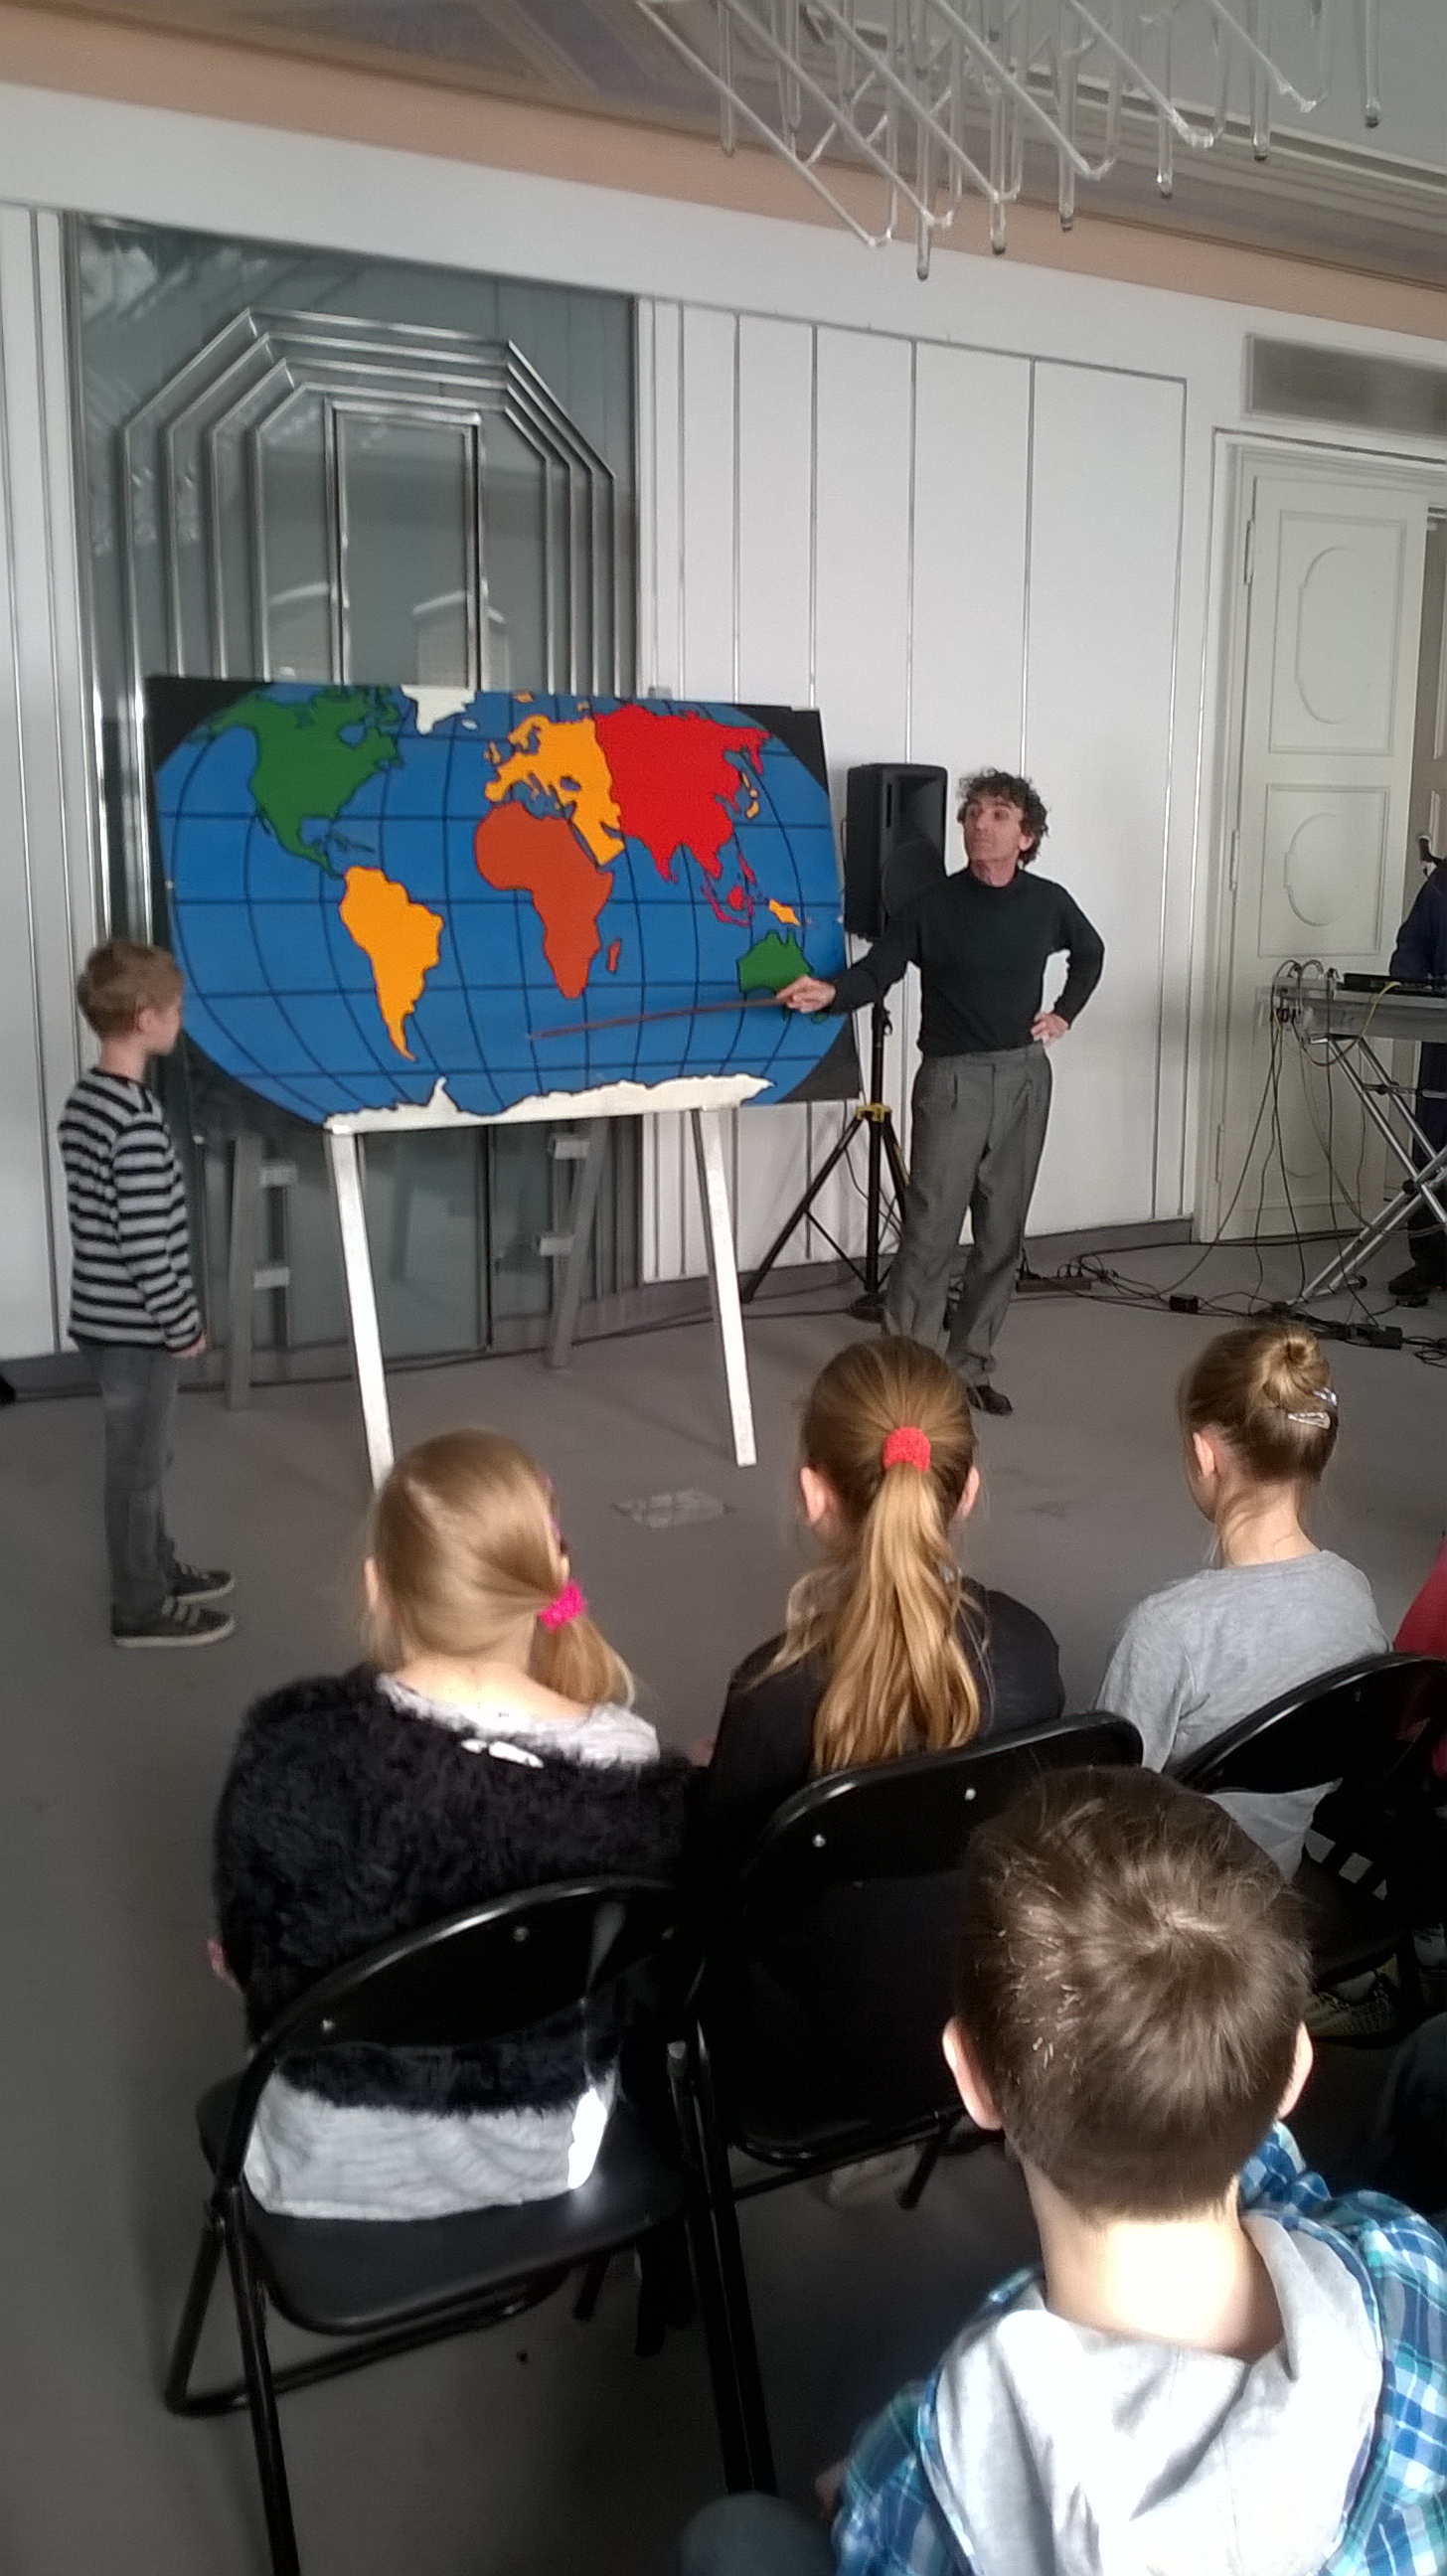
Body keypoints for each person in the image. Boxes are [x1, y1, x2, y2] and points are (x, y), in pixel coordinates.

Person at [676, 1768, 1447, 2576]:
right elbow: (1285, 2194)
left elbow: (869, 2511)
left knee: (732, 2537)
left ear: (972, 2078)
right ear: (1294, 2073)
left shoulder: (936, 2481)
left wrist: (870, 2472)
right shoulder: (1405, 2262)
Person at [212, 1428, 694, 2219]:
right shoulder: (628, 1767)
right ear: (553, 1576)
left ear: (377, 1586)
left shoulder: (289, 1756)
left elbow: (255, 1967)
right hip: (544, 2153)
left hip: (321, 2164)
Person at [695, 1337, 1062, 2126]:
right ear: (967, 1492)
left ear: (814, 1494)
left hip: (801, 2069)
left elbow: (719, 1898)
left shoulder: (771, 1698)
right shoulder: (1030, 1653)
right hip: (989, 2032)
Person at [778, 771, 1104, 1416]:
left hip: (1023, 1078)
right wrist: (831, 993)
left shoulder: (1048, 903)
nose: (980, 823)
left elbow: (1089, 952)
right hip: (952, 1081)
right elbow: (879, 970)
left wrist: (1064, 1013)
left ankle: (970, 1364)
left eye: (998, 814)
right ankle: (906, 1368)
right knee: (929, 1230)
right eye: (972, 813)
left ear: (1026, 836)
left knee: (1001, 1234)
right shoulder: (932, 905)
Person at [1097, 1321, 1386, 1875]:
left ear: (1205, 1454)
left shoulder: (1167, 1630)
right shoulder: (1354, 1597)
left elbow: (1103, 1812)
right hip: (1280, 1892)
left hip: (1168, 1908)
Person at [57, 940, 232, 1648]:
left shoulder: (88, 1102)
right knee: (138, 1470)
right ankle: (139, 1606)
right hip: (137, 1328)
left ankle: (155, 1565)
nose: (181, 1019)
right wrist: (182, 1325)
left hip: (104, 1318)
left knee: (144, 1460)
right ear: (144, 1018)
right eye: (176, 1008)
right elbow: (144, 1243)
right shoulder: (133, 1120)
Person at [1382, 860, 1447, 1303]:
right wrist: (1408, 980)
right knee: (1431, 1146)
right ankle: (1432, 1261)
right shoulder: (1442, 883)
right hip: (1442, 1038)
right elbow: (1412, 947)